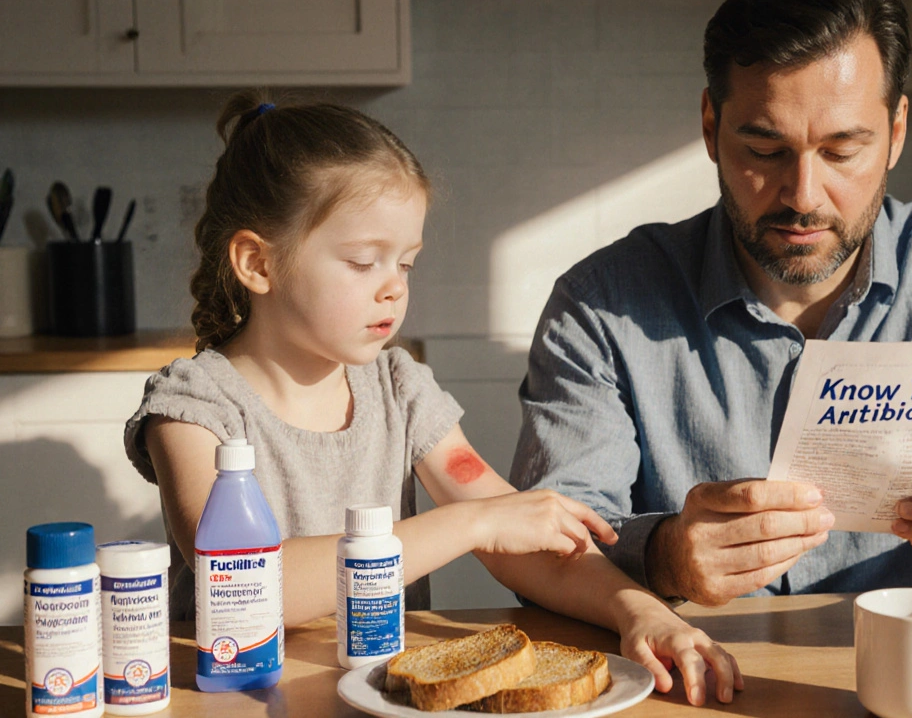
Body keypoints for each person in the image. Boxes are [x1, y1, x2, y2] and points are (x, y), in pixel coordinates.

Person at [511, 0, 912, 619]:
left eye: (841, 151)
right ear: (710, 127)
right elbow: (541, 546)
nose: (803, 196)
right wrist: (664, 557)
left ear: (896, 133)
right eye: (764, 149)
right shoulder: (601, 304)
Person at [123, 91, 741, 706]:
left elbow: (519, 541)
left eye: (407, 264)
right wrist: (471, 522)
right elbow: (250, 589)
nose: (393, 290)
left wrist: (641, 613)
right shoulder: (193, 410)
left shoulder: (399, 387)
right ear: (258, 262)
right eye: (364, 262)